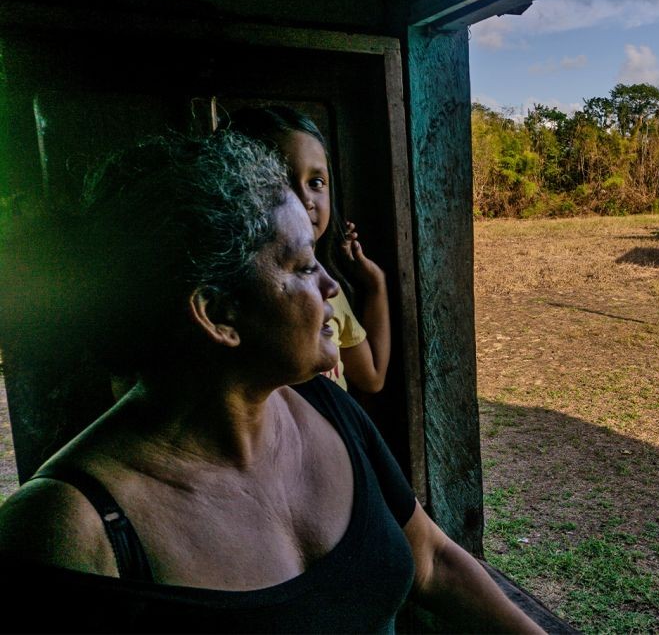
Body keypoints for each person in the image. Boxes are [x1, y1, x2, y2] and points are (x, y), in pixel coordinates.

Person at [0, 132, 542, 633]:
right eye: (304, 266)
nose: (331, 284)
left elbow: (432, 560)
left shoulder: (327, 406)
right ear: (218, 314)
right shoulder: (64, 530)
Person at [227, 106, 389, 394]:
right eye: (280, 182)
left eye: (316, 182)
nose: (303, 199)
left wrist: (376, 284)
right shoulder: (236, 301)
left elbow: (372, 377)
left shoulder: (328, 290)